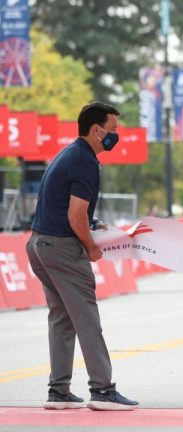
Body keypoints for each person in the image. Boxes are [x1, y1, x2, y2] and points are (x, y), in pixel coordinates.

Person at [25, 102, 139, 411]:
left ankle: (58, 391)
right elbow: (76, 216)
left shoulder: (70, 153)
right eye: (113, 130)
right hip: (62, 248)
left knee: (61, 318)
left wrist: (94, 223)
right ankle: (102, 389)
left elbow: (69, 208)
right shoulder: (86, 162)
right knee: (86, 318)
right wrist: (91, 246)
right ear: (96, 129)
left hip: (39, 244)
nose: (116, 136)